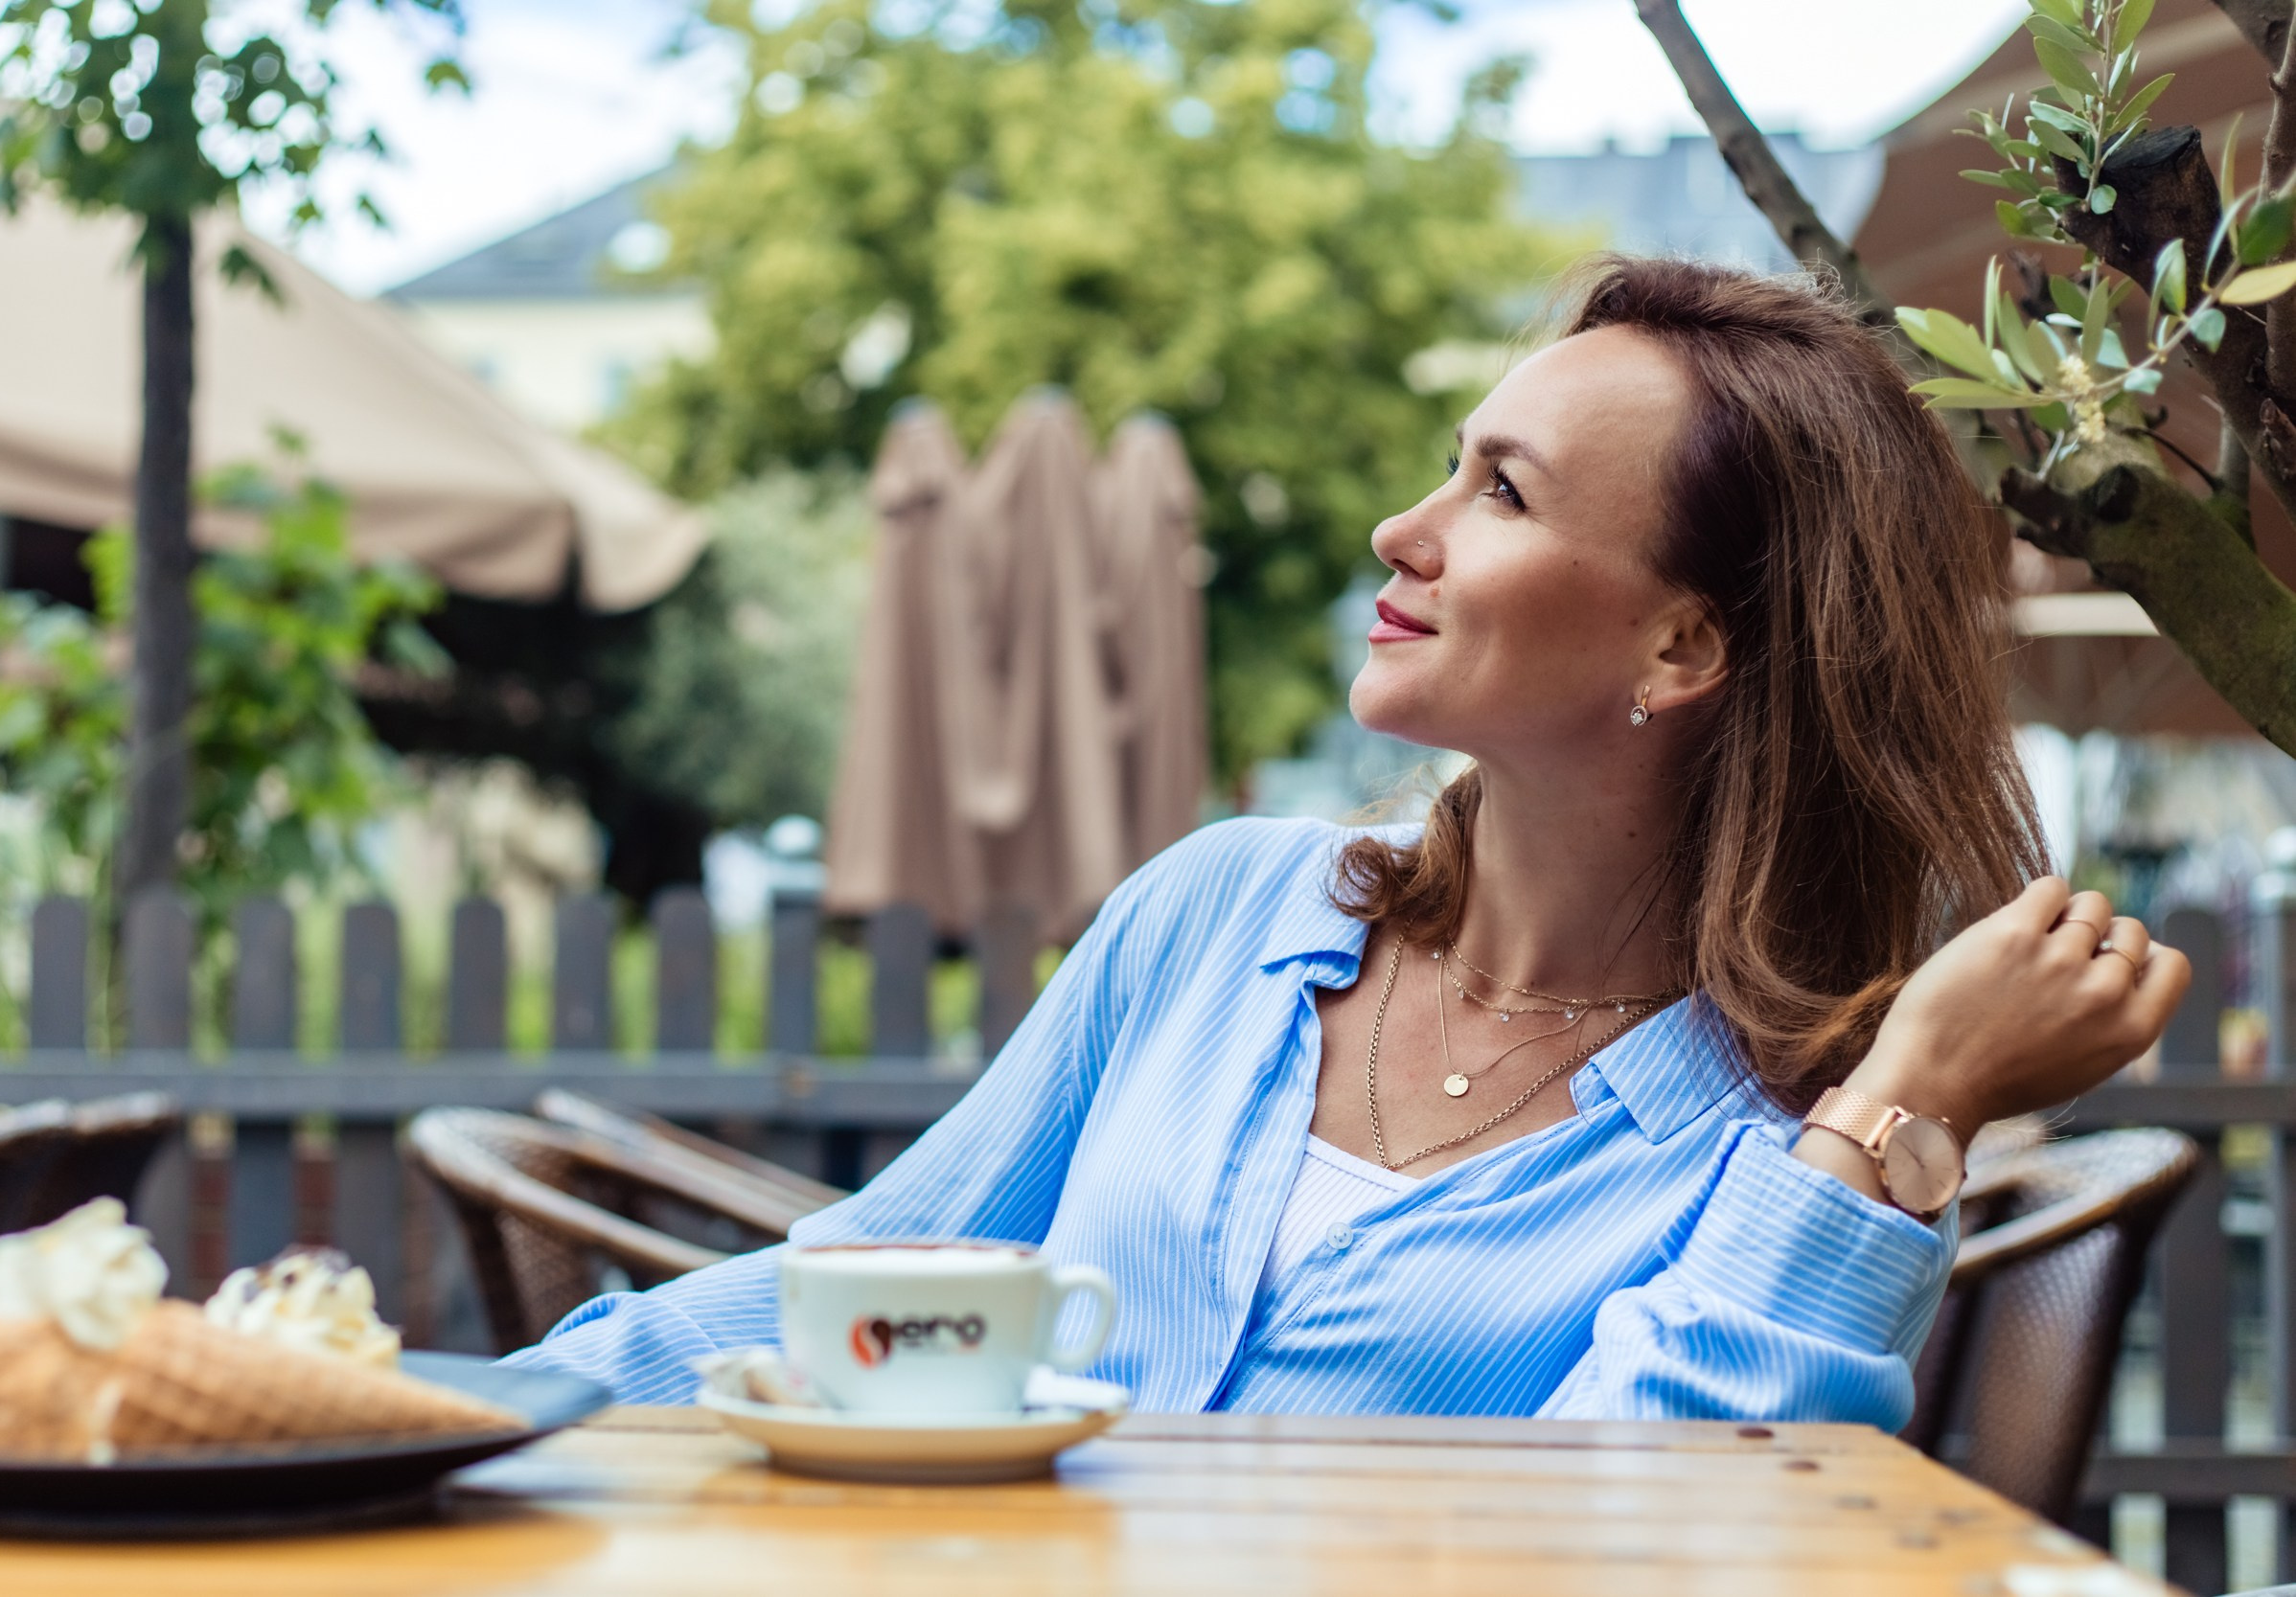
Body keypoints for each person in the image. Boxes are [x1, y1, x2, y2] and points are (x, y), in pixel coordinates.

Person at [509, 256, 2190, 1426]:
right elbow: (860, 1284)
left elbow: (1663, 1523)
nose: (1405, 529)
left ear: (1687, 647)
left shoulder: (1811, 1148)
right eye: (1445, 470)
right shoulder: (1216, 911)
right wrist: (422, 1415)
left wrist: (1909, 1104)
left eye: (1504, 494)